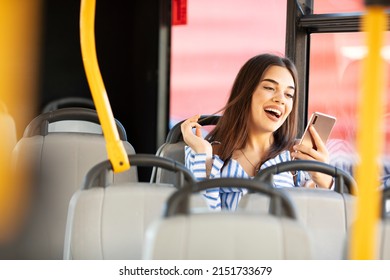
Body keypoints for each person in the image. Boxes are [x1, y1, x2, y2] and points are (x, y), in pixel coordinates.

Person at [181, 53, 334, 211]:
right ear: (246, 92)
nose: (281, 99)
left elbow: (322, 223)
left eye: (289, 94)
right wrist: (203, 154)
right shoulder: (206, 154)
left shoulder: (297, 158)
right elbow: (202, 222)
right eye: (269, 88)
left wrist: (324, 179)